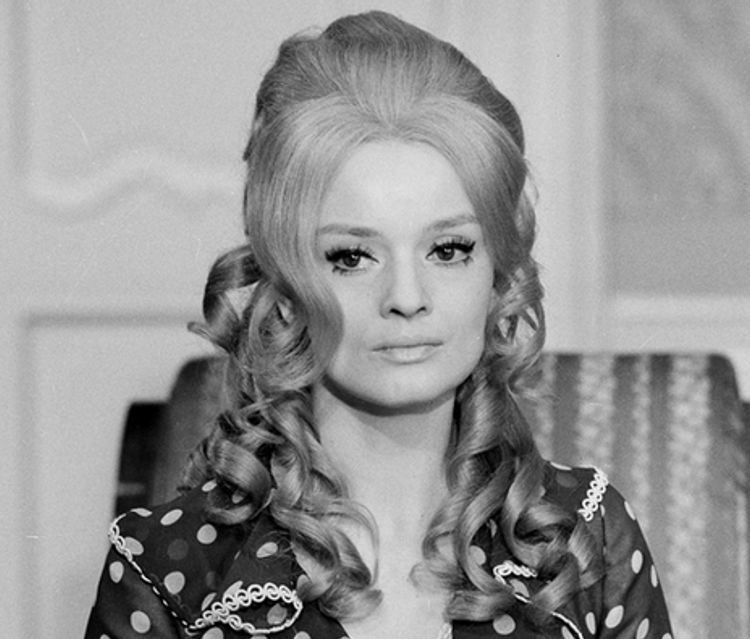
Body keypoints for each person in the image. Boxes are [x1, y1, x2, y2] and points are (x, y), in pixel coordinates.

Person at [85, 11, 672, 639]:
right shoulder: (166, 569)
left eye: (448, 249)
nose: (406, 298)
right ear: (284, 289)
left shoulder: (584, 539)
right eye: (351, 257)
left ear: (498, 275)